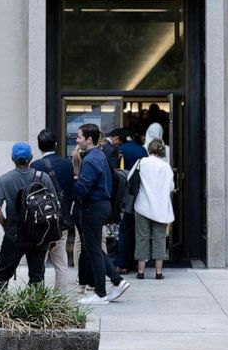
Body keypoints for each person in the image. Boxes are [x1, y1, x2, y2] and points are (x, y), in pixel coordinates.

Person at [74, 124, 130, 305]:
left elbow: (82, 189)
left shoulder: (91, 159)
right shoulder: (99, 156)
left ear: (89, 139)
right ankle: (116, 280)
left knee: (94, 250)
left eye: (79, 137)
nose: (77, 140)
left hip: (94, 207)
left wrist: (69, 183)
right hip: (101, 205)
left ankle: (101, 293)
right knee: (95, 248)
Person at [0, 142, 60, 290]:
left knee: (1, 276)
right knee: (36, 276)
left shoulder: (4, 180)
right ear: (31, 158)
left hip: (15, 233)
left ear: (12, 158)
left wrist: (5, 224)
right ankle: (34, 309)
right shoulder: (43, 177)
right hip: (39, 233)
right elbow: (55, 205)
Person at [30, 129, 75, 289]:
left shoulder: (35, 166)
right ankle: (60, 298)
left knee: (39, 260)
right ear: (55, 145)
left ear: (39, 145)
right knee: (61, 261)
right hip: (61, 219)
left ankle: (38, 295)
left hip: (41, 220)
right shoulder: (67, 165)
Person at [130, 139, 175, 279]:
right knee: (159, 238)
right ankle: (158, 272)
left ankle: (141, 271)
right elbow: (171, 187)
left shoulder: (141, 162)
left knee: (142, 237)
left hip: (142, 205)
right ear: (162, 150)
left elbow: (130, 179)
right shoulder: (165, 166)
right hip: (160, 207)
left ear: (149, 149)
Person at [114, 129, 148, 274]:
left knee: (124, 230)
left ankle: (122, 263)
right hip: (139, 193)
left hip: (124, 194)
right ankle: (135, 263)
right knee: (137, 231)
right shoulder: (142, 150)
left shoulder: (121, 149)